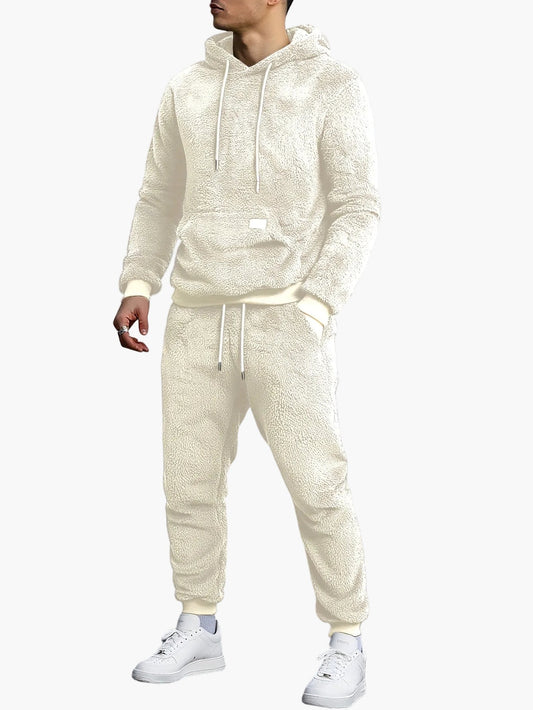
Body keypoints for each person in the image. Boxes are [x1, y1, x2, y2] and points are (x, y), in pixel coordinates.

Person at [113, 1, 380, 706]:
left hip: (286, 322)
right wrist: (139, 282)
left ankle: (347, 639)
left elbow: (357, 205)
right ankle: (198, 624)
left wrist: (318, 303)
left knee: (318, 487)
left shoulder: (331, 82)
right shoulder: (187, 88)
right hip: (196, 319)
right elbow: (158, 196)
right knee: (188, 483)